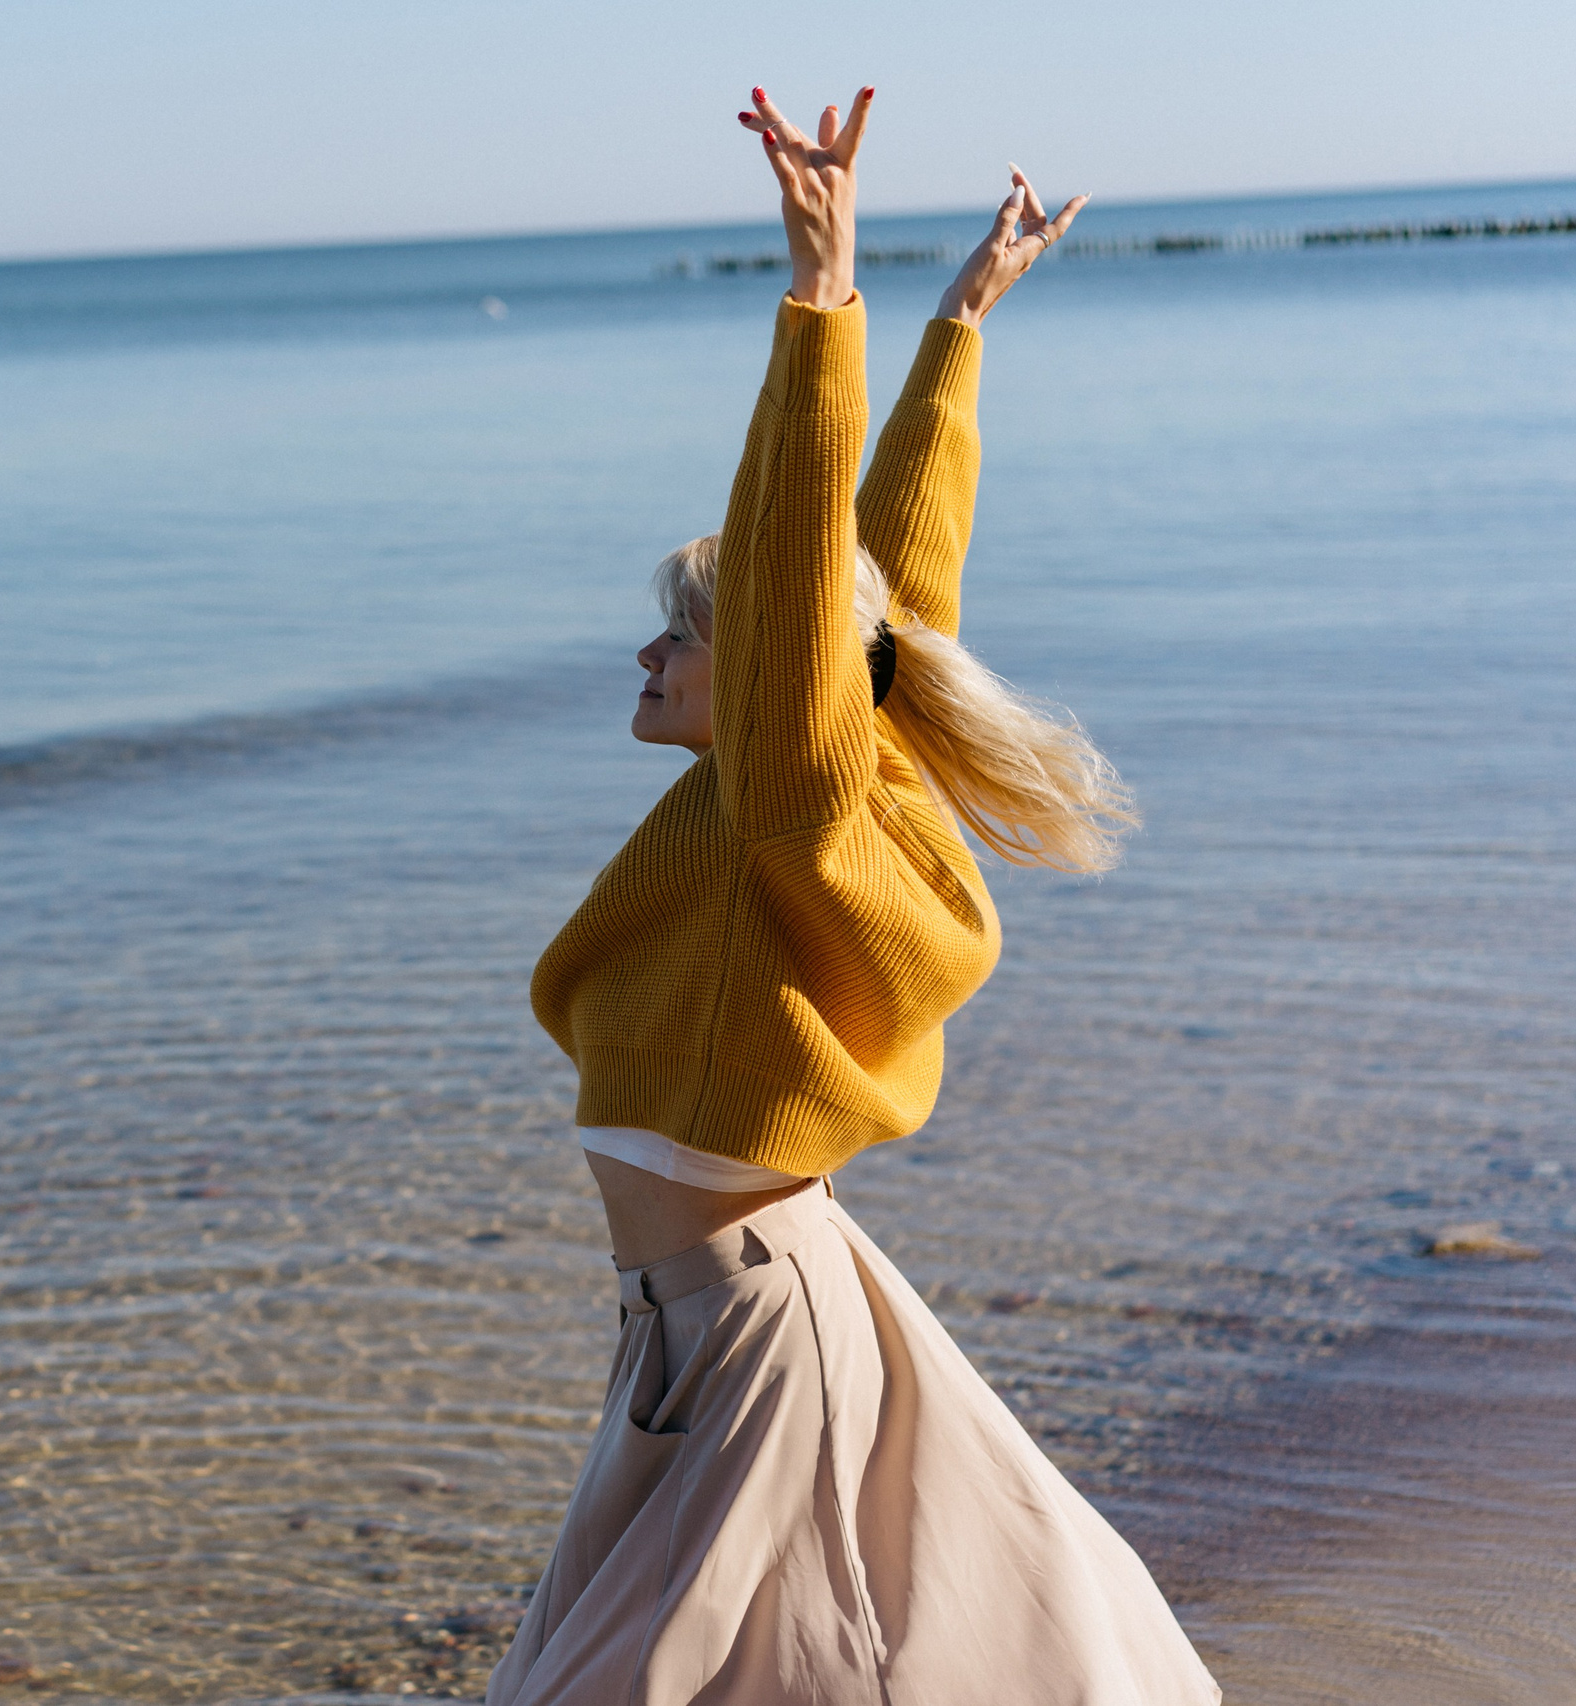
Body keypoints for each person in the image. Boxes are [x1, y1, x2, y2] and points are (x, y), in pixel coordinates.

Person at [487, 87, 1221, 1705]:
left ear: (760, 668)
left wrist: (821, 300)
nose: (647, 653)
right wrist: (957, 329)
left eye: (682, 632)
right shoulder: (830, 780)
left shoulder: (798, 799)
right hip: (693, 1327)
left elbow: (816, 577)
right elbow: (896, 579)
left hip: (754, 1328)